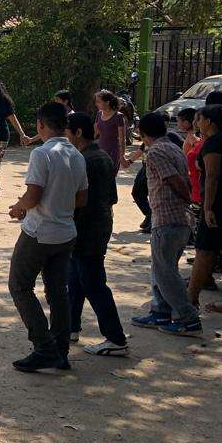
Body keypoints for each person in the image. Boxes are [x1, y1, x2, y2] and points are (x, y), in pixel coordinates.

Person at [6, 101, 88, 372]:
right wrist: (58, 202)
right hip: (65, 232)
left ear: (41, 125)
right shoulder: (76, 155)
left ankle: (44, 347)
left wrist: (19, 207)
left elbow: (33, 196)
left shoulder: (42, 153)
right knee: (57, 292)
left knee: (20, 286)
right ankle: (60, 350)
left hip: (39, 232)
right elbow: (81, 198)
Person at [131, 111, 203, 335]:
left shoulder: (156, 152)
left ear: (143, 134)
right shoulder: (173, 146)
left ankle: (188, 318)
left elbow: (174, 180)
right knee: (161, 269)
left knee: (166, 273)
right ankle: (160, 311)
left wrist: (186, 200)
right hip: (175, 220)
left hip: (168, 218)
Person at [64, 112, 128, 355]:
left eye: (67, 132)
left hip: (87, 230)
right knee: (75, 280)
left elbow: (76, 201)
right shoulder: (101, 156)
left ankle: (116, 338)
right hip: (97, 225)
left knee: (93, 284)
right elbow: (112, 197)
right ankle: (70, 327)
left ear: (78, 133)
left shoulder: (84, 160)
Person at [188, 105, 222, 318]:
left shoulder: (214, 143)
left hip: (217, 205)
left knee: (204, 250)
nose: (197, 123)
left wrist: (207, 208)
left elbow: (212, 176)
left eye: (200, 119)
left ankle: (190, 301)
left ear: (209, 122)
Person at [94, 89, 128, 173]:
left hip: (113, 151)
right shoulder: (99, 114)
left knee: (110, 175)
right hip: (100, 149)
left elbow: (122, 139)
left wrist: (122, 156)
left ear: (107, 102)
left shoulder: (118, 117)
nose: (96, 104)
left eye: (98, 102)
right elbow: (95, 133)